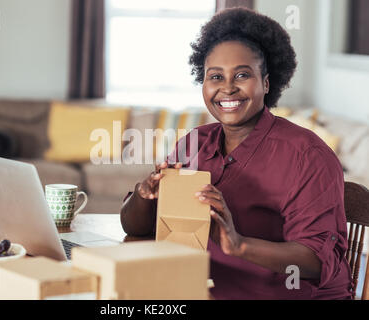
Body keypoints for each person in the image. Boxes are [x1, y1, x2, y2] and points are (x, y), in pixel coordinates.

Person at [120, 8, 353, 299]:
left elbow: (318, 262)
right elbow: (134, 226)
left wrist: (238, 244)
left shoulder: (307, 156)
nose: (227, 88)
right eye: (215, 76)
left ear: (266, 83)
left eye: (242, 75)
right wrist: (144, 195)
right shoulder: (194, 144)